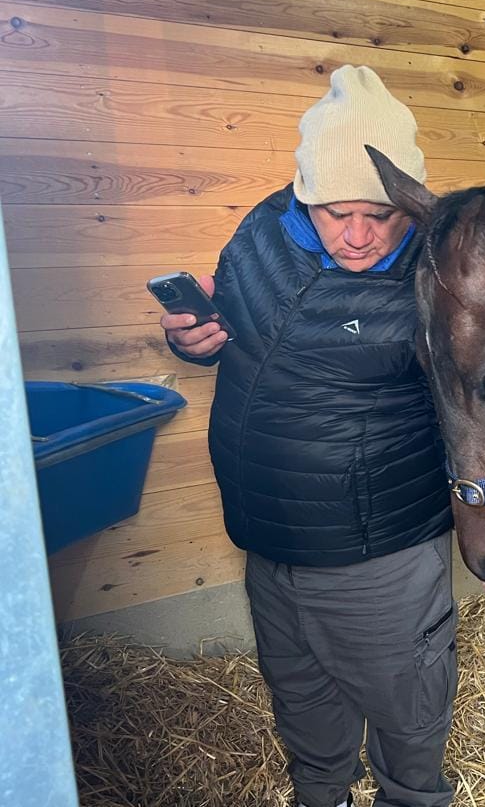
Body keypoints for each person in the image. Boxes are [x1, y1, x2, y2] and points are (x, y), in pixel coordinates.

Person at [161, 65, 458, 807]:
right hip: (266, 538)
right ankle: (319, 790)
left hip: (377, 554)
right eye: (333, 211)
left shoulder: (444, 278)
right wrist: (194, 339)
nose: (357, 234)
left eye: (380, 214)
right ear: (303, 194)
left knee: (405, 707)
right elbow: (237, 324)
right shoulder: (263, 230)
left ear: (411, 203)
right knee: (301, 699)